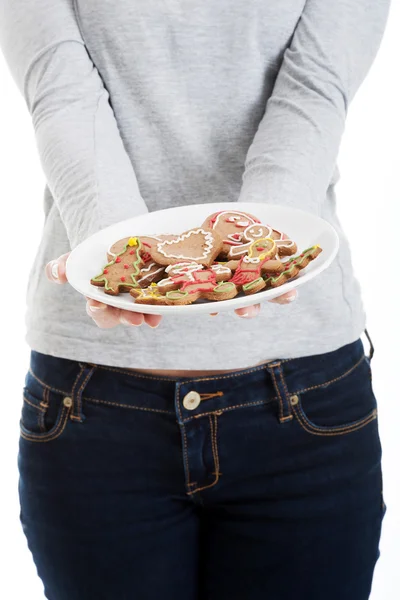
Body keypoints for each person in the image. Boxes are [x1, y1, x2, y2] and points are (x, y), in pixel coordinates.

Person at [0, 1, 390, 599]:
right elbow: (58, 83)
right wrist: (122, 262)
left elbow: (317, 84)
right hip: (93, 402)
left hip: (305, 402)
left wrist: (254, 249)